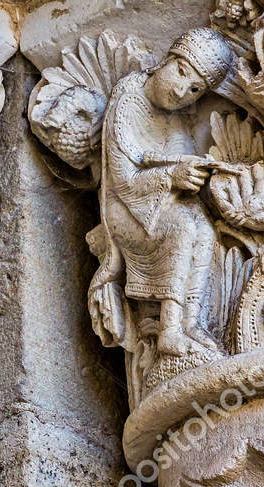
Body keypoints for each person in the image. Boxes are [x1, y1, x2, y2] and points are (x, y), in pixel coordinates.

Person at [98, 27, 234, 358]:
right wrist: (171, 176)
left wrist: (197, 174)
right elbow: (124, 181)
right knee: (183, 226)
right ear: (167, 60)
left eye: (195, 89)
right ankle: (169, 331)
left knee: (202, 227)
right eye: (182, 72)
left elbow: (181, 157)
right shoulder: (129, 98)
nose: (181, 91)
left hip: (159, 203)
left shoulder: (175, 118)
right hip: (125, 209)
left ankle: (190, 322)